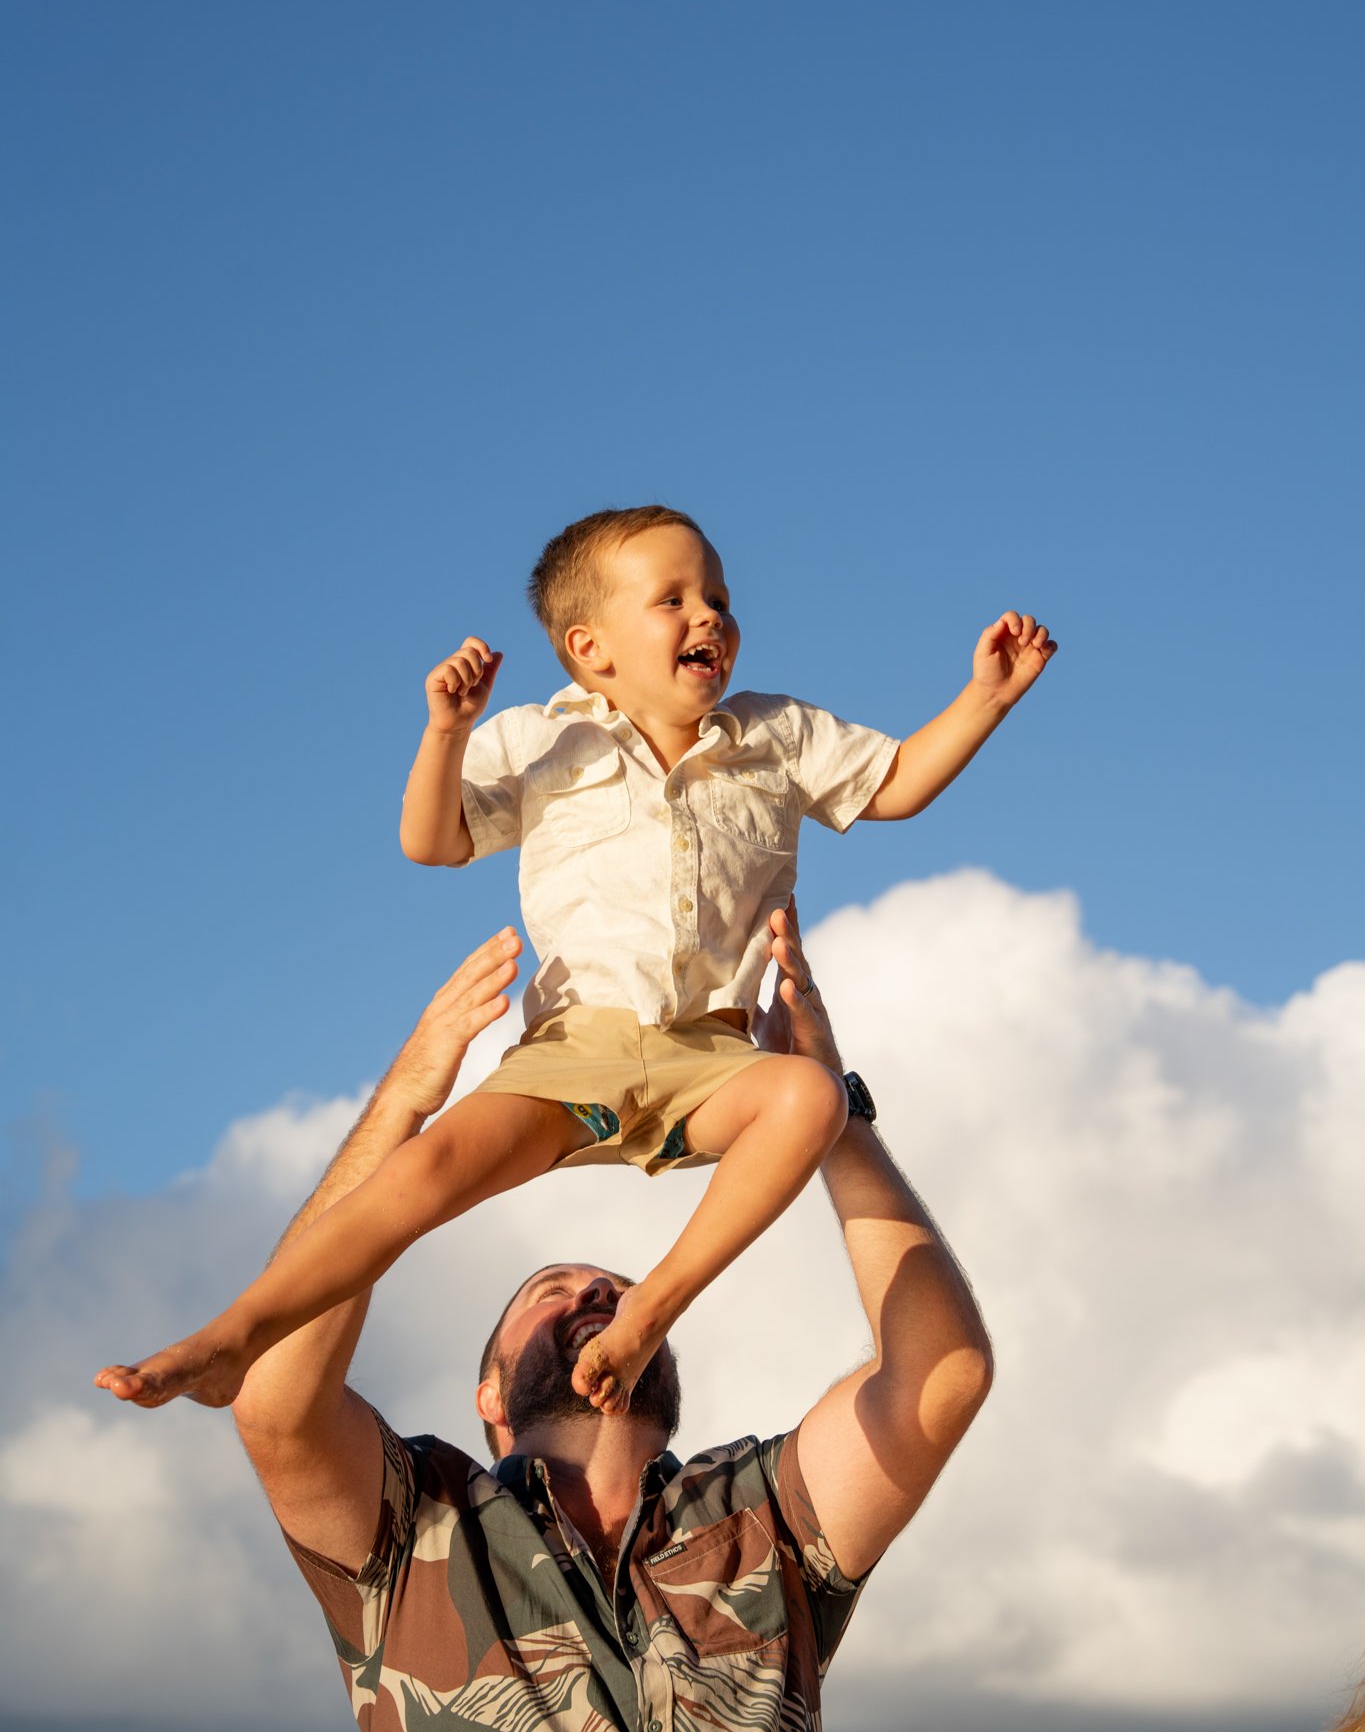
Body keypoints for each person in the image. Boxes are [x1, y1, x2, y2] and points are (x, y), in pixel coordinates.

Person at [96, 505, 1053, 1414]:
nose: (708, 616)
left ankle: (652, 1308)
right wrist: (446, 733)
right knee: (425, 1172)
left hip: (711, 1054)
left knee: (811, 1096)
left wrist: (986, 698)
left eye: (718, 597)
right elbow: (433, 841)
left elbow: (896, 785)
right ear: (590, 648)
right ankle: (236, 1335)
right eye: (672, 599)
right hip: (571, 1056)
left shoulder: (775, 736)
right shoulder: (542, 737)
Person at [227, 908, 994, 1732]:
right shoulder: (418, 1524)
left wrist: (835, 1111)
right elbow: (276, 1402)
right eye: (550, 1290)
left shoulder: (759, 1515)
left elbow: (940, 1374)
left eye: (618, 1289)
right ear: (489, 1394)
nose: (595, 1292)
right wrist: (402, 1107)